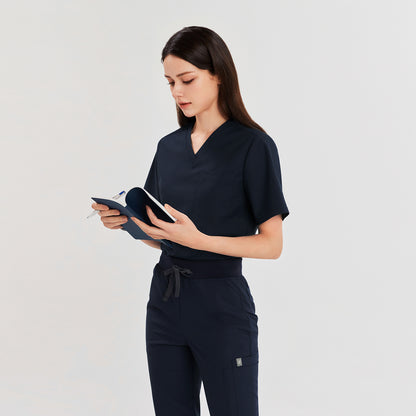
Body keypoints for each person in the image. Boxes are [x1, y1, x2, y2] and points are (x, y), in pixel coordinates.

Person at [91, 25, 289, 416]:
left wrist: (202, 240)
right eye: (169, 83)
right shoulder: (169, 147)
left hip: (221, 305)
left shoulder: (253, 146)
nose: (177, 92)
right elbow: (164, 235)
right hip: (166, 302)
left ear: (218, 74)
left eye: (187, 79)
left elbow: (272, 245)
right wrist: (129, 225)